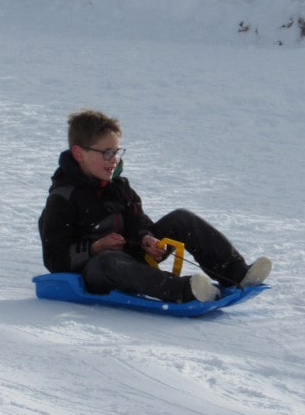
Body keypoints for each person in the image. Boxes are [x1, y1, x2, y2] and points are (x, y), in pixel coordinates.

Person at [38, 109, 271, 303]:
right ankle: (185, 291)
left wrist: (146, 238)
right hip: (97, 271)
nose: (114, 160)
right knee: (109, 260)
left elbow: (138, 223)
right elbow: (54, 257)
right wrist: (94, 248)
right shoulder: (63, 198)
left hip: (132, 260)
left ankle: (237, 273)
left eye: (116, 152)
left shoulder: (119, 187)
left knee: (181, 219)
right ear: (79, 153)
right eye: (106, 153)